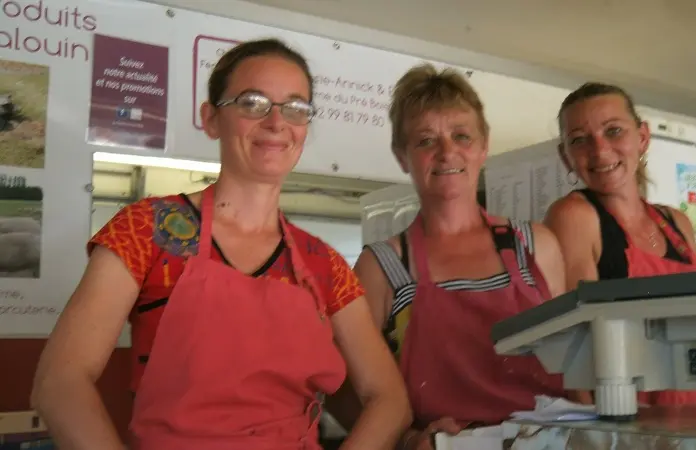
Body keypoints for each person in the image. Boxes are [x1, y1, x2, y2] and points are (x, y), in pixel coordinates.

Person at [31, 38, 411, 450]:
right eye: (253, 102)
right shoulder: (146, 230)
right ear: (211, 119)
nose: (276, 121)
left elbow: (389, 399)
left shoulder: (325, 264)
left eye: (295, 108)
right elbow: (60, 382)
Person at [327, 64, 569, 450]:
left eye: (462, 136)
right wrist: (406, 439)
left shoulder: (536, 245)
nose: (447, 152)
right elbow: (338, 387)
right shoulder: (384, 266)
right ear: (402, 156)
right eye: (426, 140)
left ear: (484, 145)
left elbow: (574, 360)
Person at [543, 82, 696, 406]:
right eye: (579, 140)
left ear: (642, 138)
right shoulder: (574, 216)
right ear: (566, 157)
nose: (600, 150)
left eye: (613, 131)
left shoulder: (678, 224)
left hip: (695, 413)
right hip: (629, 423)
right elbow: (574, 344)